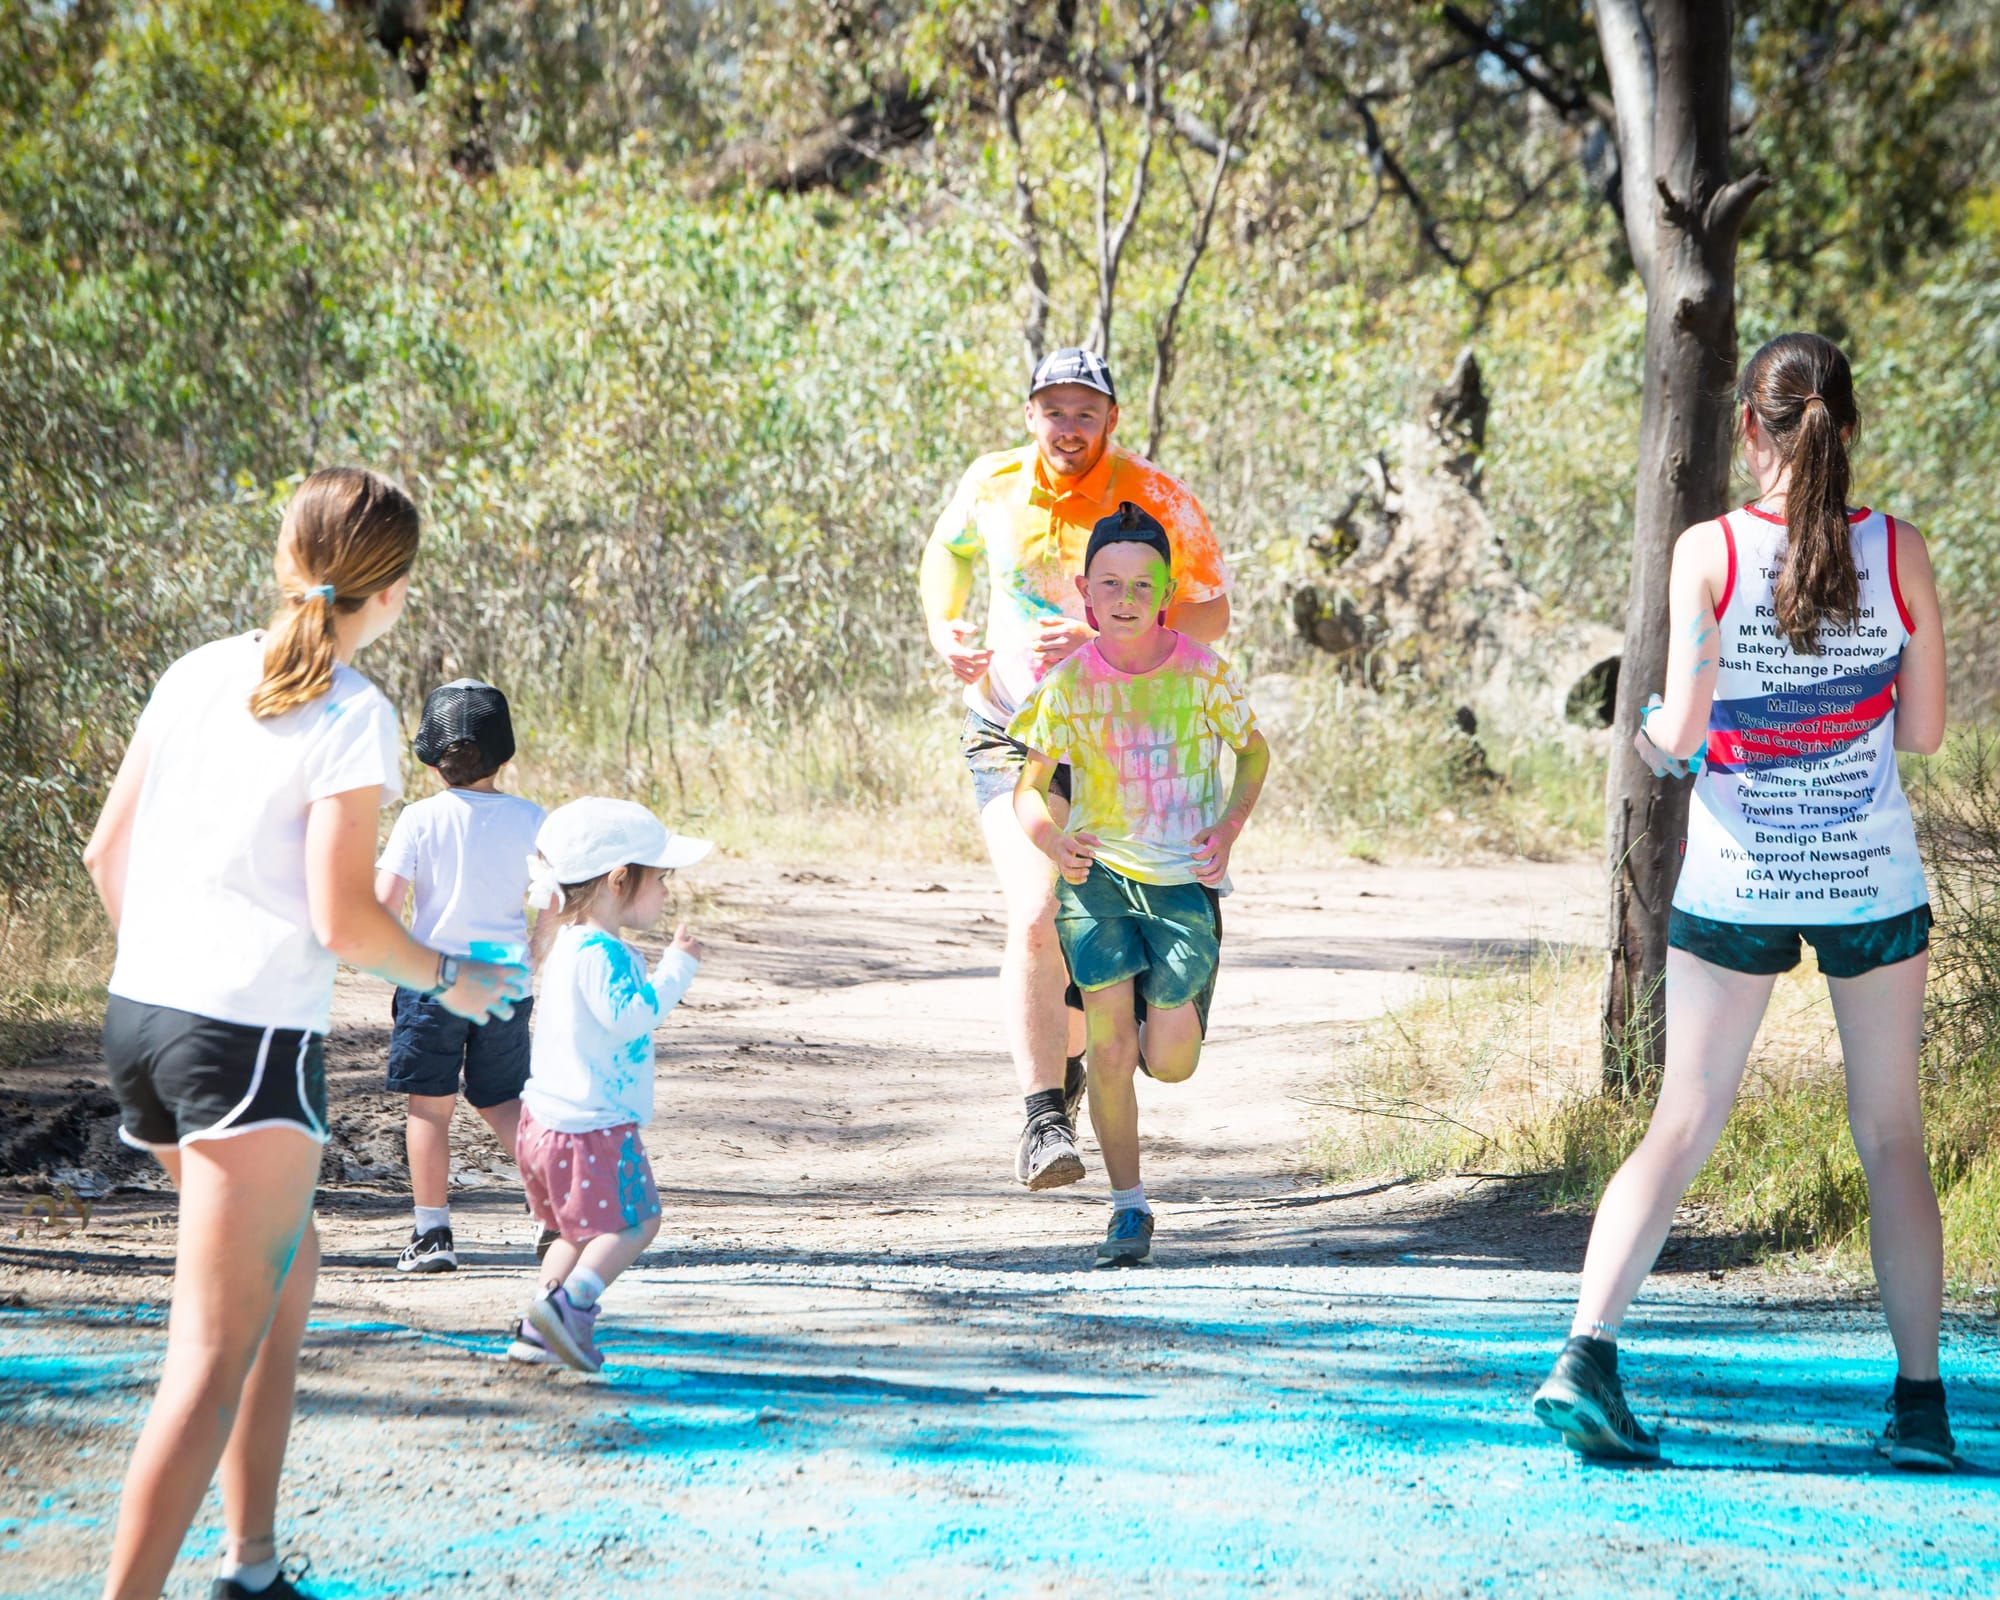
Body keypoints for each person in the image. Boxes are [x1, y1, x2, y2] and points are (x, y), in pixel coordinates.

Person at [81, 468, 529, 1600]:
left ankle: (252, 1563)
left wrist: (176, 975)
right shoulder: (353, 709)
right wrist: (451, 977)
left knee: (287, 1274)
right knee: (207, 1356)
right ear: (389, 593)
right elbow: (345, 920)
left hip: (144, 1024)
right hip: (243, 1048)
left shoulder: (195, 673)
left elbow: (105, 855)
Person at [1531, 332, 1954, 1469]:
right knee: (1891, 1136)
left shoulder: (1706, 549)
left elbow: (1677, 723)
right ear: (1847, 427)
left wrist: (1663, 743)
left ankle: (1586, 1357)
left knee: (1680, 1121)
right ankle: (1919, 1411)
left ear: (1747, 430)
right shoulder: (1899, 551)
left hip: (1734, 876)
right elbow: (1918, 732)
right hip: (1866, 876)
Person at [919, 347, 1232, 1195]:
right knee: (1034, 907)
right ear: (1030, 415)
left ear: (1111, 421)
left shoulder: (1155, 497)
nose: (1068, 428)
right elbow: (944, 554)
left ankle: (1113, 1025)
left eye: (1084, 413)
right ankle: (1042, 1119)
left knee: (1119, 957)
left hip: (1122, 745)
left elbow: (1213, 614)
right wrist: (945, 627)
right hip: (1009, 735)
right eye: (1053, 411)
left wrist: (1103, 642)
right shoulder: (991, 483)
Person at [1011, 503, 1270, 1266]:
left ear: (1166, 595)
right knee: (1112, 1049)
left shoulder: (1202, 673)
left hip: (1182, 884)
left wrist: (1225, 831)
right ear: (1085, 597)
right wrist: (1053, 840)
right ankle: (1129, 1209)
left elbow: (1254, 756)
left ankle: (1163, 1019)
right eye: (1108, 584)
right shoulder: (1065, 685)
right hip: (1098, 884)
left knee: (1173, 1060)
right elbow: (1029, 787)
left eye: (1141, 585)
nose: (1124, 599)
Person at [505, 797, 709, 1373]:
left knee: (574, 1229)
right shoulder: (605, 952)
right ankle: (576, 1303)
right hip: (590, 1127)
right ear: (620, 880)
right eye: (660, 879)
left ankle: (539, 1324)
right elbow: (631, 1016)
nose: (666, 892)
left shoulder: (567, 942)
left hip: (544, 1125)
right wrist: (676, 969)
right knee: (637, 1221)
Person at [375, 678, 551, 1274]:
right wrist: (536, 946)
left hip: (433, 977)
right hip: (505, 977)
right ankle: (550, 1217)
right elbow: (553, 897)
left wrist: (397, 956)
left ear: (433, 756)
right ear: (504, 753)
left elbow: (383, 901)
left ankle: (432, 1235)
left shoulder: (418, 819)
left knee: (430, 1107)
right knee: (507, 1102)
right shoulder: (532, 819)